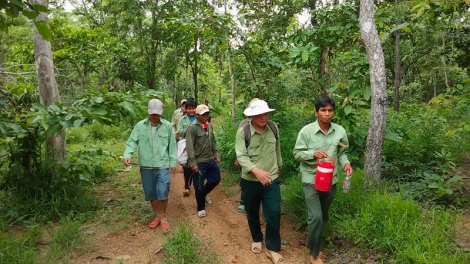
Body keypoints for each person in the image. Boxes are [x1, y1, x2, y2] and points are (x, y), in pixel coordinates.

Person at [293, 96, 353, 264]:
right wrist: (312, 154)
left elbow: (342, 153)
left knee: (323, 216)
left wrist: (346, 164)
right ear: (316, 112)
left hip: (330, 180)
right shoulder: (306, 131)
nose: (327, 114)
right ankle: (314, 255)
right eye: (323, 110)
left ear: (333, 112)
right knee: (316, 217)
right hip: (311, 180)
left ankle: (311, 240)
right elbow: (297, 154)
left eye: (330, 110)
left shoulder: (340, 131)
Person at [235, 99, 284, 264]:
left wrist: (279, 166)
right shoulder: (244, 131)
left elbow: (277, 148)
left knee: (273, 212)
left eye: (266, 113)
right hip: (250, 180)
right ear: (252, 115)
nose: (264, 117)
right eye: (260, 114)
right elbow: (241, 155)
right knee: (252, 211)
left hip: (271, 178)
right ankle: (256, 237)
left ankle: (273, 247)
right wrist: (256, 170)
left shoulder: (273, 127)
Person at [123, 99, 177, 232]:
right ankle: (157, 216)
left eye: (157, 113)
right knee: (151, 192)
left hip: (163, 164)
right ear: (149, 112)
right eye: (153, 113)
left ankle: (163, 217)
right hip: (146, 165)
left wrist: (173, 161)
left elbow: (172, 145)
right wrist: (127, 154)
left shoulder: (167, 126)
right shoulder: (140, 126)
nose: (155, 116)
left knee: (163, 190)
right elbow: (132, 141)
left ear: (161, 112)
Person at [185, 104, 221, 218]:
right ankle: (200, 207)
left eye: (207, 114)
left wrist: (216, 154)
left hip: (210, 160)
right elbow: (189, 147)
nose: (206, 116)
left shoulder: (209, 126)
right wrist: (193, 163)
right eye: (203, 114)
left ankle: (203, 194)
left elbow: (213, 141)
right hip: (199, 162)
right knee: (199, 185)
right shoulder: (192, 128)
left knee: (216, 179)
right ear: (197, 115)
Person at [234, 98, 259, 213]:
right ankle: (243, 201)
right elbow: (238, 143)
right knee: (245, 179)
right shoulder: (244, 124)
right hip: (245, 156)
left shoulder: (267, 124)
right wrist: (237, 158)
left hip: (260, 158)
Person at [177, 98, 197, 196]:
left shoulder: (199, 118)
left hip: (198, 146)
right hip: (186, 146)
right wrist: (189, 128)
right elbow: (179, 131)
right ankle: (187, 187)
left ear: (196, 109)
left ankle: (198, 187)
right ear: (186, 109)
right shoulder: (182, 120)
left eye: (193, 108)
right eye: (189, 108)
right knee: (187, 167)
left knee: (198, 166)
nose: (191, 110)